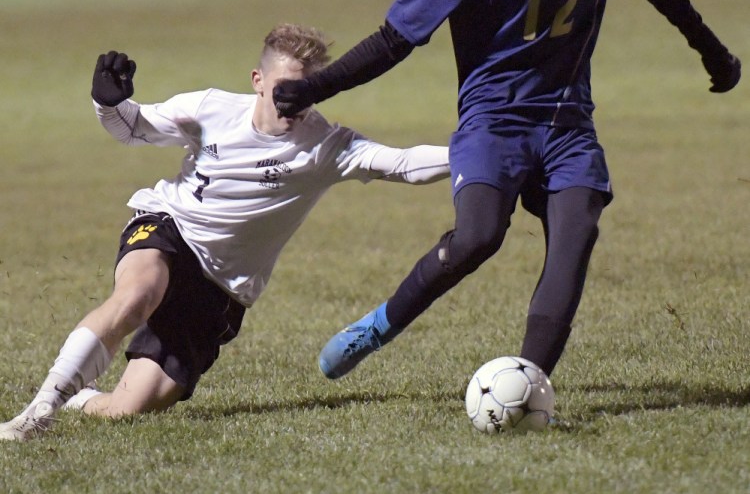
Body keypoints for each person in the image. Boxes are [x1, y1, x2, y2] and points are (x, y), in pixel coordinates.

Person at [273, 0, 741, 383]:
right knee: (478, 238)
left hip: (569, 125)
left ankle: (528, 381)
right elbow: (394, 40)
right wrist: (316, 87)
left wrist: (712, 50)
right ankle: (379, 325)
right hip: (492, 125)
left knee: (576, 236)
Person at [0, 24, 450, 441]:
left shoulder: (325, 146)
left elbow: (405, 164)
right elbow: (133, 126)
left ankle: (81, 395)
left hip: (222, 287)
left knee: (130, 407)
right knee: (137, 294)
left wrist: (479, 151)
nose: (294, 101)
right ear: (257, 79)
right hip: (170, 228)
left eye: (306, 91)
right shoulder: (210, 109)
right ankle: (38, 412)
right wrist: (108, 102)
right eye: (283, 88)